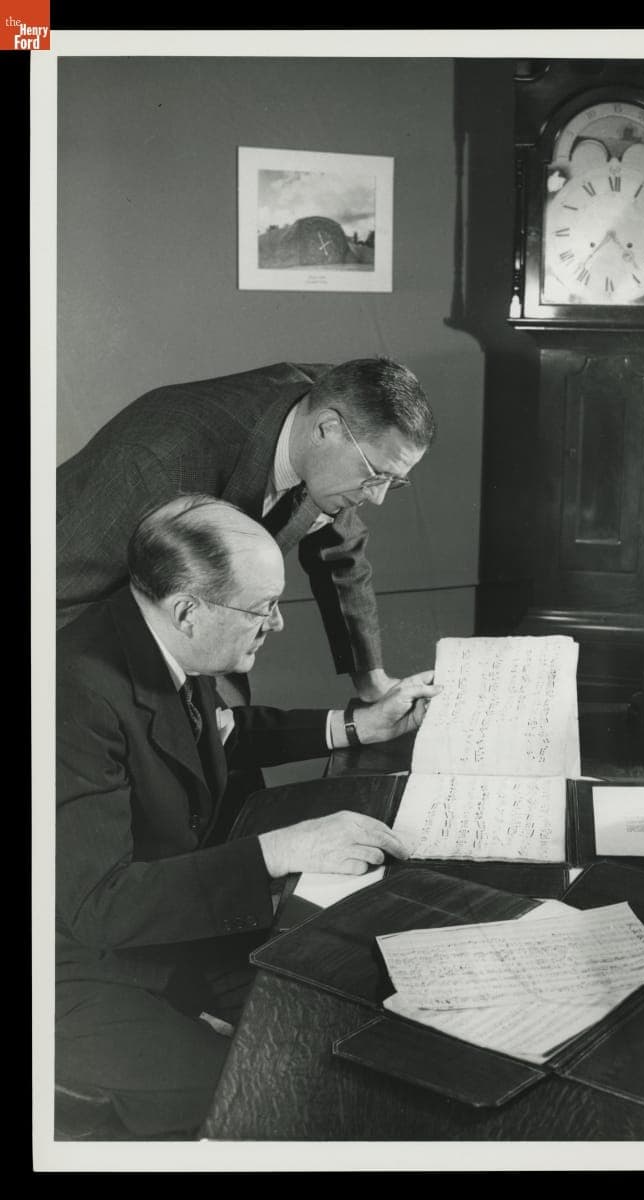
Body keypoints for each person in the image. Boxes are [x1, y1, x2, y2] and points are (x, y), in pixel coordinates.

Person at [55, 495, 439, 1138]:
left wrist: (357, 725)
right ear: (188, 610)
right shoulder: (73, 693)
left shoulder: (159, 634)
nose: (277, 624)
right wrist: (278, 851)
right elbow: (99, 906)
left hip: (166, 927)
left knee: (350, 1009)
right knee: (267, 1093)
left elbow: (213, 734)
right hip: (78, 965)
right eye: (262, 609)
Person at [56, 357, 436, 703]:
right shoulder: (164, 458)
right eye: (376, 476)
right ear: (326, 428)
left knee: (229, 728)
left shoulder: (339, 421)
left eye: (393, 482)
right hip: (75, 601)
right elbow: (59, 596)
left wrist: (372, 682)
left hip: (199, 631)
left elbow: (340, 552)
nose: (378, 498)